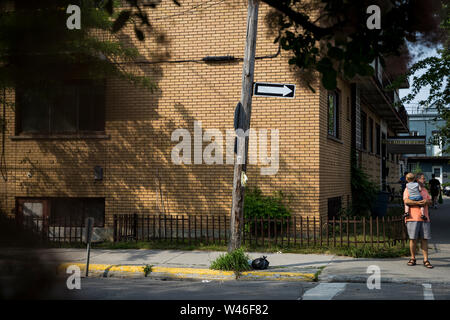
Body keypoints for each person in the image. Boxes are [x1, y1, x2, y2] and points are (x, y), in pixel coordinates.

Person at [404, 172, 433, 269]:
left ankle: (426, 259)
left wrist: (426, 201)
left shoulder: (424, 190)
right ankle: (413, 258)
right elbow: (406, 201)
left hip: (425, 218)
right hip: (412, 217)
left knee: (424, 239)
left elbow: (430, 201)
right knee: (413, 239)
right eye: (423, 179)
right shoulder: (407, 189)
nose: (424, 180)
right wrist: (418, 202)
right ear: (417, 180)